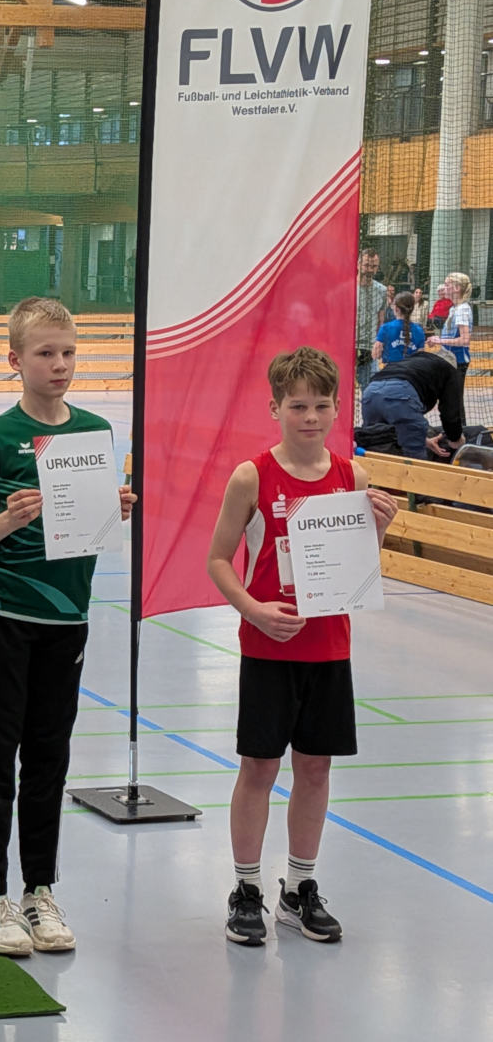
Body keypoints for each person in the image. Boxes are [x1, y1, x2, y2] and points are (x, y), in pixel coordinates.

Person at [0, 297, 136, 957]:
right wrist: (8, 520)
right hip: (4, 615)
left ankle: (38, 890)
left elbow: (90, 528)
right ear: (15, 360)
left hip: (69, 620)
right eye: (45, 353)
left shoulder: (91, 432)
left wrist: (112, 507)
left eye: (68, 353)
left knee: (50, 760)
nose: (59, 365)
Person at [206, 347, 398, 947]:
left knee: (315, 768)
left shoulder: (353, 477)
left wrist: (379, 530)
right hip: (269, 647)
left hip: (329, 649)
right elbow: (217, 559)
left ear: (338, 408)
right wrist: (253, 609)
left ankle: (299, 888)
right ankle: (246, 888)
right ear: (275, 409)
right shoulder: (253, 476)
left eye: (320, 406)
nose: (309, 417)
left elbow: (356, 564)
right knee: (259, 767)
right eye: (297, 406)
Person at [362, 343, 468, 460]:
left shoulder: (414, 360)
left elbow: (397, 422)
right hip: (400, 394)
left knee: (374, 442)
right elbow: (450, 411)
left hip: (370, 393)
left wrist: (424, 440)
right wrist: (455, 439)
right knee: (415, 459)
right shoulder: (448, 369)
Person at [354, 249, 389, 390]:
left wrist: (378, 343)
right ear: (358, 264)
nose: (370, 270)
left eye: (374, 266)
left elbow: (381, 320)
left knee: (370, 388)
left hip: (368, 347)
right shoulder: (348, 287)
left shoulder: (381, 290)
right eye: (367, 265)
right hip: (349, 346)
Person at [434, 271, 474, 385]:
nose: (444, 288)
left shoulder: (462, 309)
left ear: (456, 288)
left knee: (453, 400)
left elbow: (464, 340)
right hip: (449, 358)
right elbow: (451, 335)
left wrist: (441, 341)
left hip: (458, 360)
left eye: (447, 285)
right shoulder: (454, 308)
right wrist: (439, 339)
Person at [373, 292, 424, 365]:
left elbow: (376, 355)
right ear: (412, 309)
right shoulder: (419, 330)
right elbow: (420, 357)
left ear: (396, 308)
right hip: (411, 372)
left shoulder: (385, 327)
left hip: (390, 371)